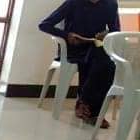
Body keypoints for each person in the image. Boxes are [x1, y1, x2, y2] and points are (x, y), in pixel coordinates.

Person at [40, 0, 120, 128]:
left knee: (109, 64)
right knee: (99, 61)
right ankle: (90, 110)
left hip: (95, 47)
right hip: (73, 48)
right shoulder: (73, 2)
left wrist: (105, 35)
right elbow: (44, 25)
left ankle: (85, 103)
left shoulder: (110, 4)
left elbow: (115, 31)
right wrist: (66, 35)